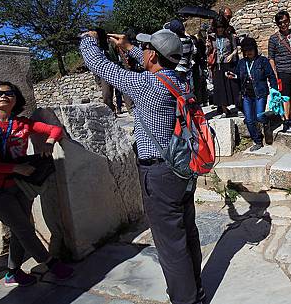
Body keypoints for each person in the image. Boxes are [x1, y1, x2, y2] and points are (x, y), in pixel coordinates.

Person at [80, 29, 205, 304]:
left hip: (159, 173)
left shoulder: (146, 85)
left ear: (151, 55)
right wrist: (128, 47)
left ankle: (186, 299)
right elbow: (158, 62)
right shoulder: (181, 80)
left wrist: (89, 39)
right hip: (184, 166)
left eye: (145, 49)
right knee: (187, 232)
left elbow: (99, 64)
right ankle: (196, 289)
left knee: (170, 244)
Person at [0, 82, 73, 287]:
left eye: (9, 93)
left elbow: (55, 130)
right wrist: (14, 169)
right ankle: (50, 263)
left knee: (19, 228)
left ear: (16, 99)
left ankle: (12, 272)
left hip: (20, 186)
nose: (3, 96)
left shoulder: (22, 123)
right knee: (24, 228)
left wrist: (50, 143)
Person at [227, 37, 279, 151]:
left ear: (255, 49)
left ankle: (266, 123)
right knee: (249, 120)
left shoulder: (263, 61)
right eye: (246, 50)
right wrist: (233, 76)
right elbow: (238, 76)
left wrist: (275, 90)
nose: (249, 52)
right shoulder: (242, 63)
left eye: (251, 49)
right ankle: (258, 140)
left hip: (260, 93)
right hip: (247, 94)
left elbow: (271, 75)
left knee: (259, 116)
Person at [209, 16, 240, 117]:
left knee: (233, 86)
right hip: (218, 64)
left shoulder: (230, 37)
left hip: (229, 63)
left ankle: (239, 107)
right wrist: (208, 47)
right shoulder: (212, 38)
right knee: (220, 87)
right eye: (218, 27)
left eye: (222, 27)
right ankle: (224, 109)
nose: (220, 29)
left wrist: (231, 55)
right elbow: (209, 52)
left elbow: (235, 49)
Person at [166, 19, 196, 87]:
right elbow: (194, 51)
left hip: (178, 72)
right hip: (188, 71)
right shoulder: (189, 40)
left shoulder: (176, 42)